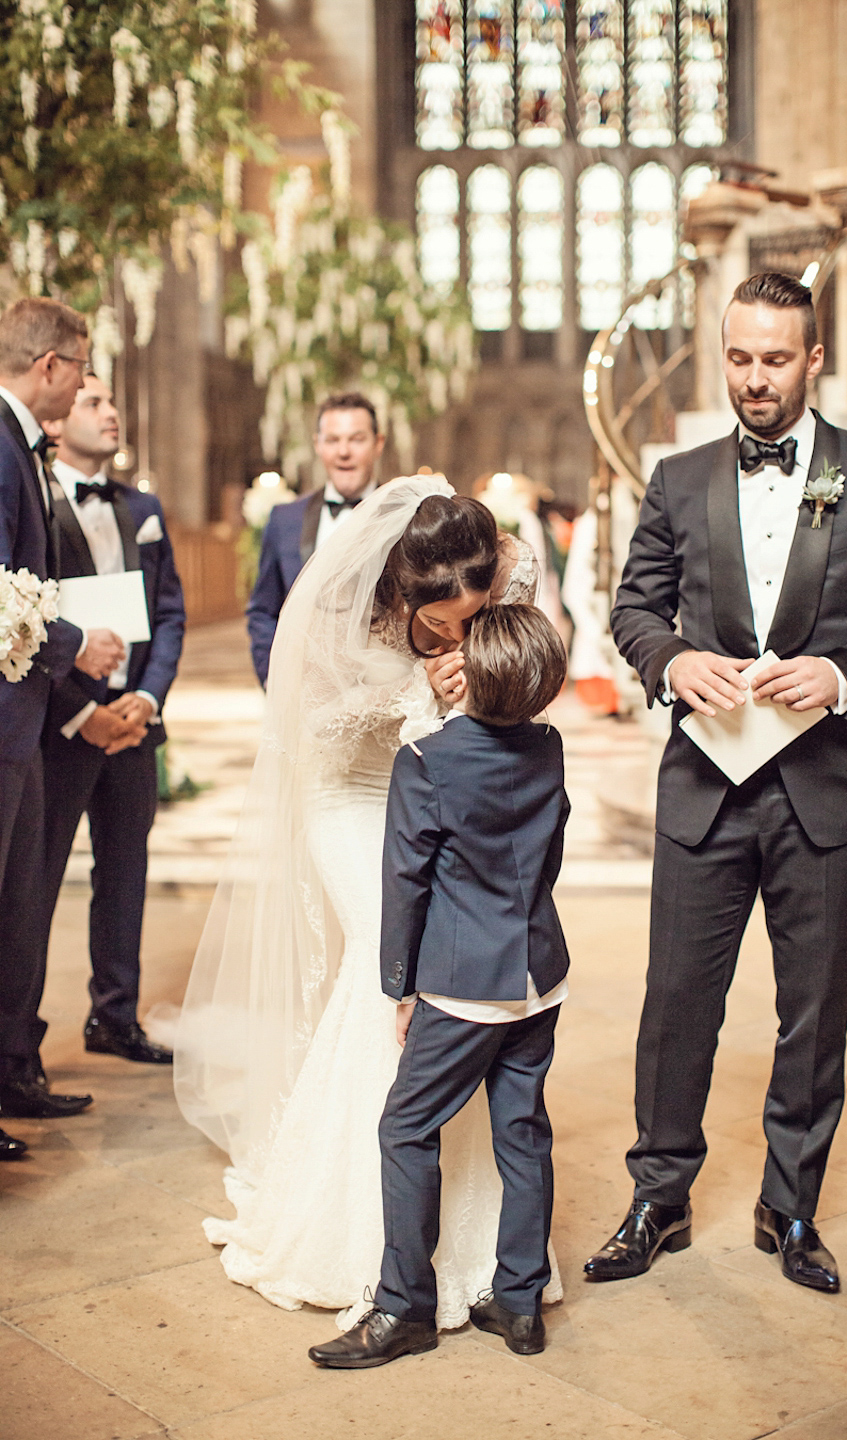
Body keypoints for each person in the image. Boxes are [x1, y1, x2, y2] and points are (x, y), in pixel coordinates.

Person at [584, 272, 847, 1295]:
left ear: (814, 359)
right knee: (675, 1004)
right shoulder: (677, 476)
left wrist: (843, 675)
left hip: (824, 792)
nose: (754, 379)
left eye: (775, 359)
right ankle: (659, 1195)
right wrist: (669, 663)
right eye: (739, 357)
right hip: (705, 787)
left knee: (814, 1009)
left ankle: (790, 1205)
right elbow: (634, 608)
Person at [174, 474, 558, 1329]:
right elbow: (310, 726)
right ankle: (364, 1242)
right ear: (405, 596)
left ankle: (479, 1246)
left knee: (461, 983)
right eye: (442, 625)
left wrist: (485, 687)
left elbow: (530, 662)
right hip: (353, 789)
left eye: (475, 618)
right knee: (390, 970)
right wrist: (420, 693)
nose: (461, 634)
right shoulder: (350, 605)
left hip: (449, 780)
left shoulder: (510, 568)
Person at [308, 604, 570, 1370]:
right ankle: (519, 1304)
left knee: (405, 1128)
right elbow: (549, 851)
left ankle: (403, 1308)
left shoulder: (427, 759)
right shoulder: (549, 746)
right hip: (538, 975)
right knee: (522, 1131)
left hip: (463, 987)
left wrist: (402, 987)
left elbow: (406, 886)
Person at [27, 374, 185, 1064]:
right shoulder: (36, 505)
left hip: (133, 719)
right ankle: (14, 1047)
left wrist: (145, 700)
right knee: (35, 883)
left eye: (113, 401)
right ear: (59, 424)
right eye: (94, 402)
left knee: (124, 874)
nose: (112, 412)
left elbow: (170, 613)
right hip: (63, 728)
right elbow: (25, 625)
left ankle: (114, 1016)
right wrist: (84, 711)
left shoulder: (142, 507)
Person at [0, 298, 126, 1152]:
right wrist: (77, 647)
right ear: (48, 366)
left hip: (28, 713)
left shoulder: (22, 446)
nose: (87, 380)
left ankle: (12, 1070)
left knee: (19, 908)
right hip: (13, 713)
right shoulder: (4, 449)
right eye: (81, 366)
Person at [246, 392, 385, 686]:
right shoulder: (285, 520)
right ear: (318, 445)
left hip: (383, 690)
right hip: (302, 691)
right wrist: (273, 678)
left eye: (356, 439)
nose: (343, 451)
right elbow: (263, 609)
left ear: (378, 444)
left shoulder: (406, 516)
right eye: (332, 440)